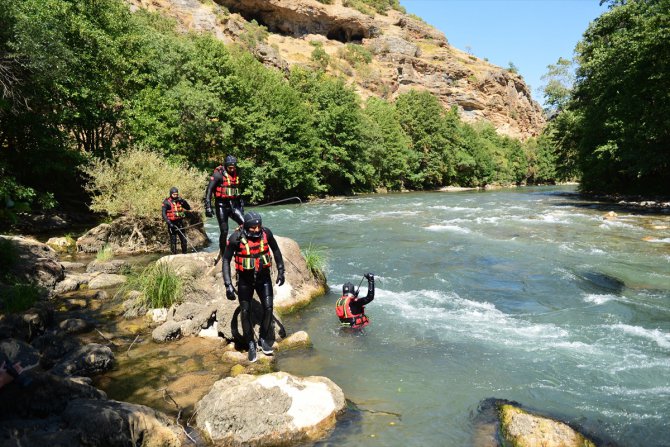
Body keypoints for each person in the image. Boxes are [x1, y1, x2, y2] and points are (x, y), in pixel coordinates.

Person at [222, 211, 285, 362]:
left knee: (268, 308)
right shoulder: (236, 238)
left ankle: (262, 339)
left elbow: (276, 250)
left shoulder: (266, 233)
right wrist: (228, 284)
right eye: (253, 228)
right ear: (246, 227)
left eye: (259, 227)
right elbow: (226, 260)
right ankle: (250, 343)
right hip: (245, 281)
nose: (257, 230)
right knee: (245, 311)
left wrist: (281, 270)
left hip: (264, 279)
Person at [204, 155, 245, 255]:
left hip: (234, 205)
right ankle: (223, 253)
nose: (232, 169)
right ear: (226, 166)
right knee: (224, 231)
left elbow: (236, 189)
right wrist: (208, 207)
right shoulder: (217, 175)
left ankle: (239, 245)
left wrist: (241, 203)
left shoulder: (236, 174)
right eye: (230, 167)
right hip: (221, 205)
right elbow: (209, 191)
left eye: (234, 167)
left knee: (245, 224)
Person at [162, 187, 191, 254]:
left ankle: (184, 254)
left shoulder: (180, 201)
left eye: (176, 194)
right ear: (171, 194)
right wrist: (169, 223)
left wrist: (183, 201)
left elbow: (188, 208)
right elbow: (163, 214)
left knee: (184, 240)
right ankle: (174, 255)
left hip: (180, 223)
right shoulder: (166, 202)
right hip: (171, 223)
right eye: (174, 194)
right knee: (173, 240)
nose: (175, 196)